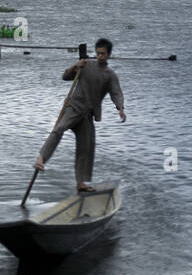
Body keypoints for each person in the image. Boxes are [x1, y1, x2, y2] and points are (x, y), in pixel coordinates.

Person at [36, 38, 125, 192]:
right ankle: (41, 158)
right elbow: (65, 76)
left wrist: (120, 108)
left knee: (86, 147)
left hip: (87, 115)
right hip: (74, 107)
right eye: (97, 53)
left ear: (109, 54)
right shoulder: (85, 65)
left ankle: (80, 183)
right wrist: (75, 66)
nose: (100, 56)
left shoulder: (110, 75)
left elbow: (116, 93)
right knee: (59, 128)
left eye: (103, 54)